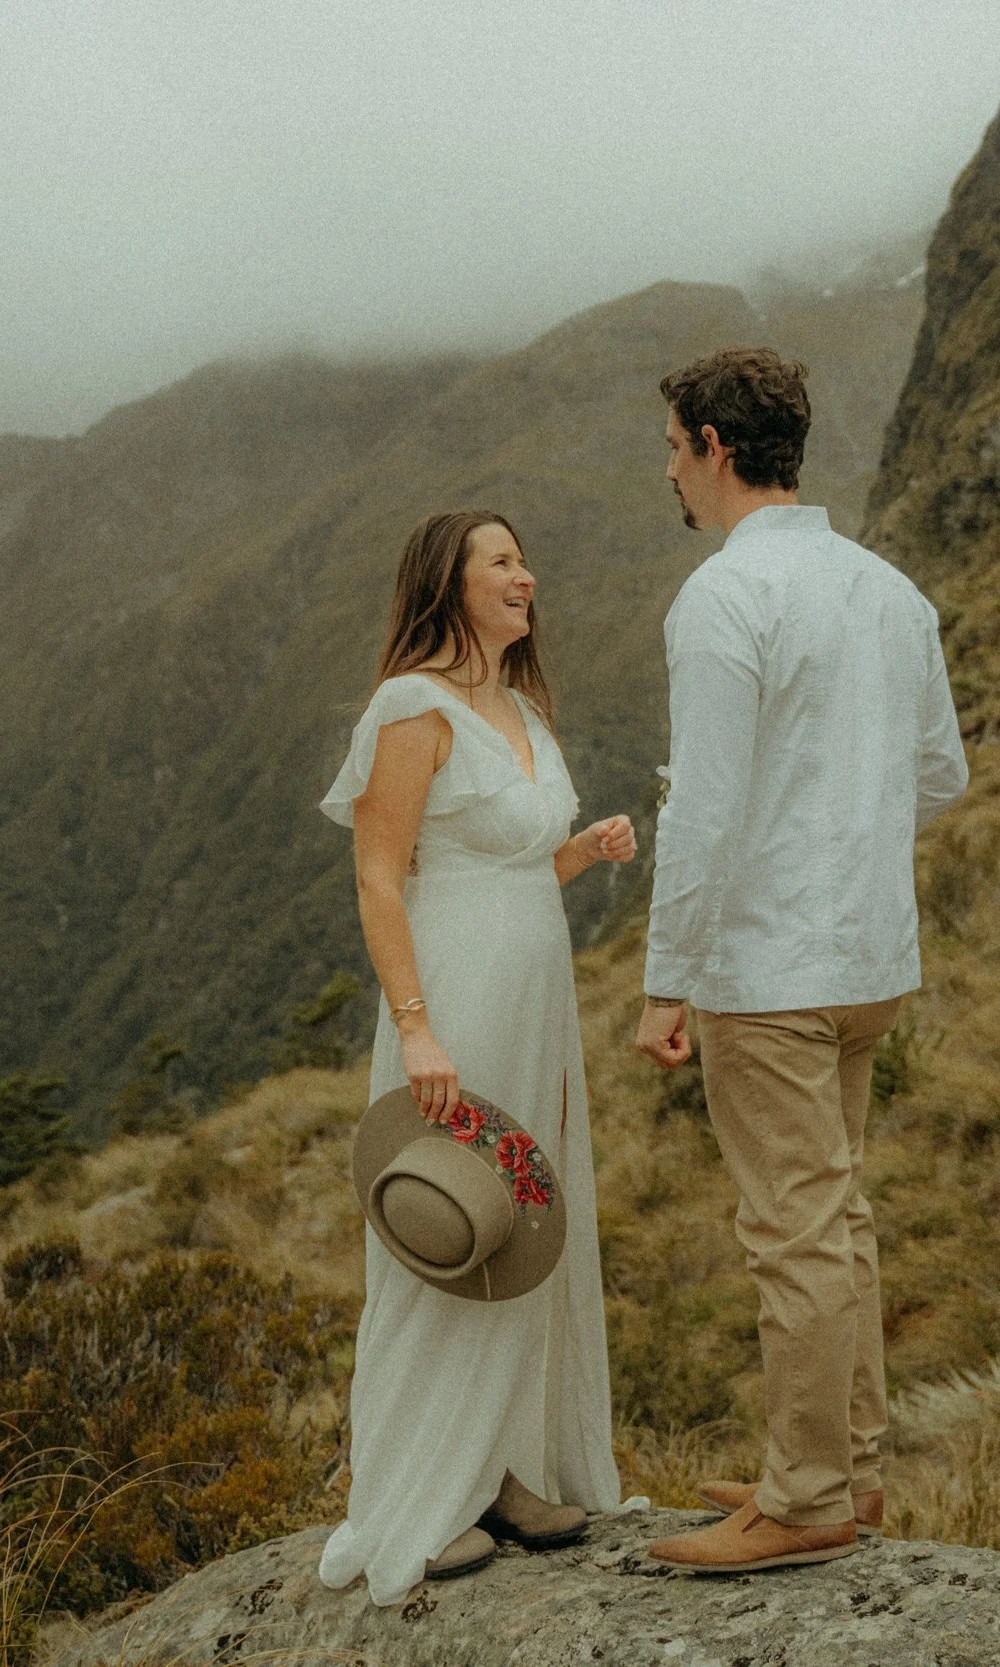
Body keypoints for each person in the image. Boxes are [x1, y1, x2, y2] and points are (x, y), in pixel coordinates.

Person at [636, 348, 968, 1574]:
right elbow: (942, 774)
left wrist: (666, 977)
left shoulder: (723, 598)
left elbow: (707, 810)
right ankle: (847, 1466)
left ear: (715, 446)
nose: (670, 471)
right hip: (870, 953)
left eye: (673, 448)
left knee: (793, 1226)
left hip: (768, 967)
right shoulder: (890, 589)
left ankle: (809, 1491)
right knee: (838, 1211)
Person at [315, 508, 638, 1604]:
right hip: (450, 995)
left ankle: (503, 1468)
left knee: (519, 1225)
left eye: (520, 559)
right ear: (446, 584)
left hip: (533, 997)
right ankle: (417, 1487)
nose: (524, 575)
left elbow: (508, 874)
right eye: (500, 561)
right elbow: (380, 874)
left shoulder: (518, 707)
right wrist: (414, 1022)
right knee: (443, 1221)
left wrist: (581, 853)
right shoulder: (412, 705)